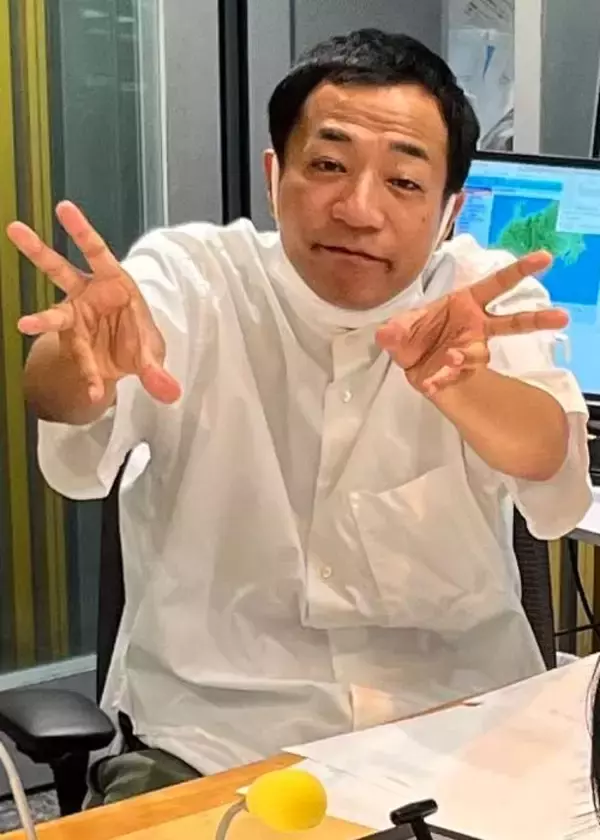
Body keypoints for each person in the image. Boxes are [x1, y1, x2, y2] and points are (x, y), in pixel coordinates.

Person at [8, 29, 591, 805]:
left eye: (405, 182)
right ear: (274, 175)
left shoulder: (479, 296)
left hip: (462, 737)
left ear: (451, 210)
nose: (358, 209)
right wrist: (86, 355)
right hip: (215, 745)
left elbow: (549, 460)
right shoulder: (193, 278)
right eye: (328, 165)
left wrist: (464, 385)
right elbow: (62, 395)